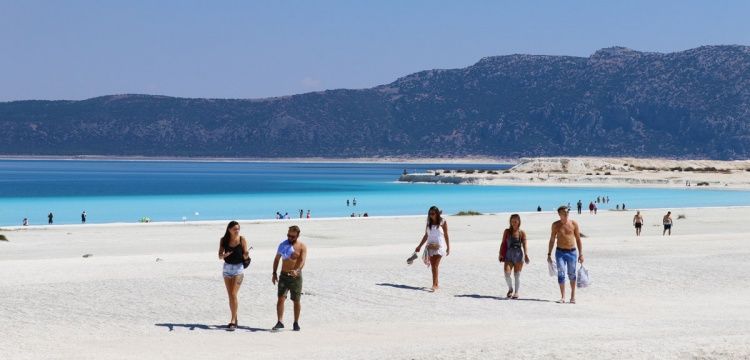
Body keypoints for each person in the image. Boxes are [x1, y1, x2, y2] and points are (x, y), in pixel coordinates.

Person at [272, 225, 307, 331]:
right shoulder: (282, 245)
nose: (290, 238)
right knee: (280, 298)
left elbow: (302, 261)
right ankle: (280, 321)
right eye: (288, 235)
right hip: (283, 275)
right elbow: (277, 259)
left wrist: (297, 270)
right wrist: (274, 273)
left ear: (297, 235)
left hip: (296, 277)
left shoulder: (302, 246)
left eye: (292, 236)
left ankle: (296, 322)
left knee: (296, 300)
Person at [547, 206, 584, 304]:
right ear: (559, 214)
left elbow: (578, 239)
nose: (566, 213)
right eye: (564, 212)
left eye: (567, 211)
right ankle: (563, 297)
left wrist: (581, 254)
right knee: (561, 273)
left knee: (572, 274)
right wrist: (549, 254)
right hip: (560, 252)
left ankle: (572, 297)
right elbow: (551, 240)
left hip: (572, 252)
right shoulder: (555, 225)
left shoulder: (573, 224)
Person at [218, 221, 250, 331]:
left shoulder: (242, 239)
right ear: (229, 229)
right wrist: (224, 255)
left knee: (233, 293)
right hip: (227, 268)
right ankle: (235, 319)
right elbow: (219, 256)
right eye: (235, 229)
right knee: (230, 296)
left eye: (238, 229)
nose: (237, 231)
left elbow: (245, 254)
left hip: (238, 269)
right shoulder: (224, 240)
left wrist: (246, 256)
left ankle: (232, 320)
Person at [413, 206, 450, 292]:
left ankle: (435, 284)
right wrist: (419, 246)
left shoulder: (443, 221)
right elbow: (426, 235)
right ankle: (436, 283)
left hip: (439, 246)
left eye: (433, 214)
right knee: (433, 265)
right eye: (430, 214)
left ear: (437, 213)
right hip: (430, 246)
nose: (431, 215)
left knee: (434, 265)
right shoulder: (429, 222)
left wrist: (448, 247)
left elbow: (446, 235)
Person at [499, 214, 530, 299]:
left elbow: (524, 245)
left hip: (518, 255)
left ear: (519, 221)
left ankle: (516, 292)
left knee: (517, 275)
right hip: (508, 255)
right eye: (512, 221)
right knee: (507, 273)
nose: (514, 222)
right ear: (510, 222)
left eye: (516, 221)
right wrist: (500, 254)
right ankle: (510, 289)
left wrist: (526, 254)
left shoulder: (522, 233)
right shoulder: (507, 231)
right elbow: (503, 243)